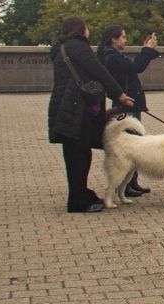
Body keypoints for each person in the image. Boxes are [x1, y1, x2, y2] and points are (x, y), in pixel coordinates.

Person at [48, 17, 133, 213]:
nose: (89, 32)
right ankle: (78, 200)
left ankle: (79, 194)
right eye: (87, 28)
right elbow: (99, 72)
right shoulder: (78, 47)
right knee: (80, 154)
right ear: (80, 30)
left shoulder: (59, 49)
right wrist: (119, 95)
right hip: (78, 107)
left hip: (63, 106)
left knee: (73, 154)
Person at [98, 25, 160, 197]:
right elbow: (136, 68)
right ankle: (124, 185)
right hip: (126, 106)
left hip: (130, 104)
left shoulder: (113, 55)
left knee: (135, 146)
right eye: (123, 37)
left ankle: (131, 182)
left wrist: (146, 50)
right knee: (129, 148)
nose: (125, 40)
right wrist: (147, 49)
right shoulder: (111, 57)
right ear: (113, 39)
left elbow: (133, 67)